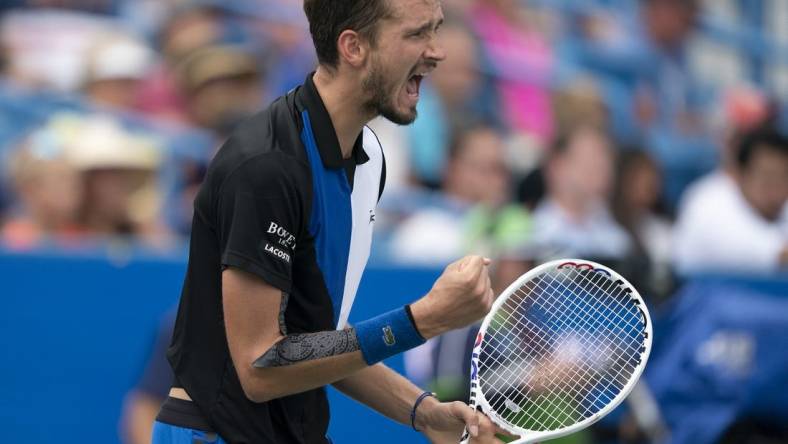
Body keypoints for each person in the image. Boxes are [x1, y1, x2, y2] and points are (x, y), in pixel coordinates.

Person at [154, 1, 509, 443]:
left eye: (436, 31)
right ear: (354, 47)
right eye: (417, 34)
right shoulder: (266, 167)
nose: (437, 52)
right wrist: (423, 320)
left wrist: (425, 412)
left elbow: (317, 341)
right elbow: (261, 367)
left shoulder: (370, 158)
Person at [673, 127, 788, 273]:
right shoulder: (708, 202)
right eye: (767, 177)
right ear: (739, 174)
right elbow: (778, 254)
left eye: (784, 178)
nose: (777, 189)